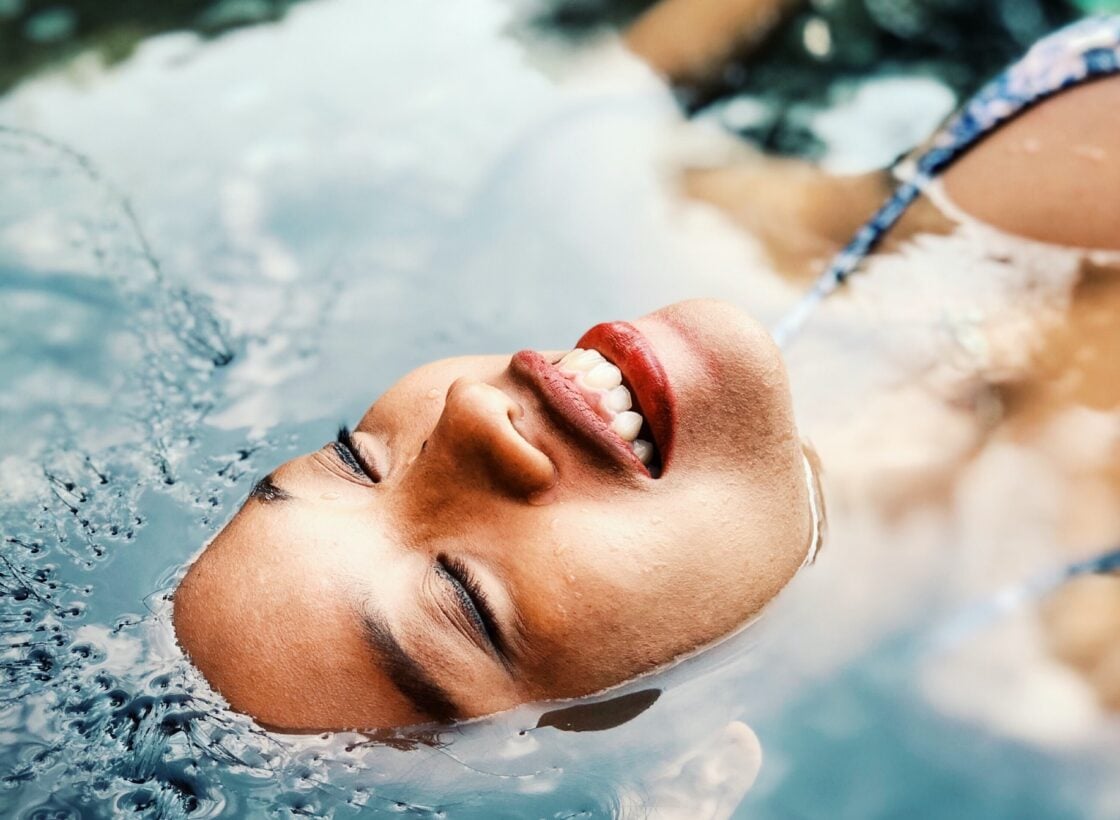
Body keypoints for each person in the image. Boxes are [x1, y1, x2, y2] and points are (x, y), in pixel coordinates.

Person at [173, 14, 1120, 731]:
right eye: (462, 597)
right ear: (689, 773)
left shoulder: (604, 208)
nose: (466, 411)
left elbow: (621, 80)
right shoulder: (1075, 683)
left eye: (354, 459)